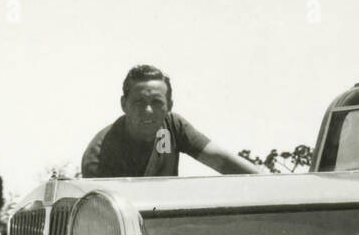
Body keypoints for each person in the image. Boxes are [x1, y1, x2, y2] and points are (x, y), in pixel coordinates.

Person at [80, 64, 262, 178]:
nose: (148, 111)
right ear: (123, 104)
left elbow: (223, 162)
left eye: (157, 102)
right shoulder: (100, 154)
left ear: (169, 106)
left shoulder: (173, 127)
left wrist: (277, 187)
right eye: (139, 102)